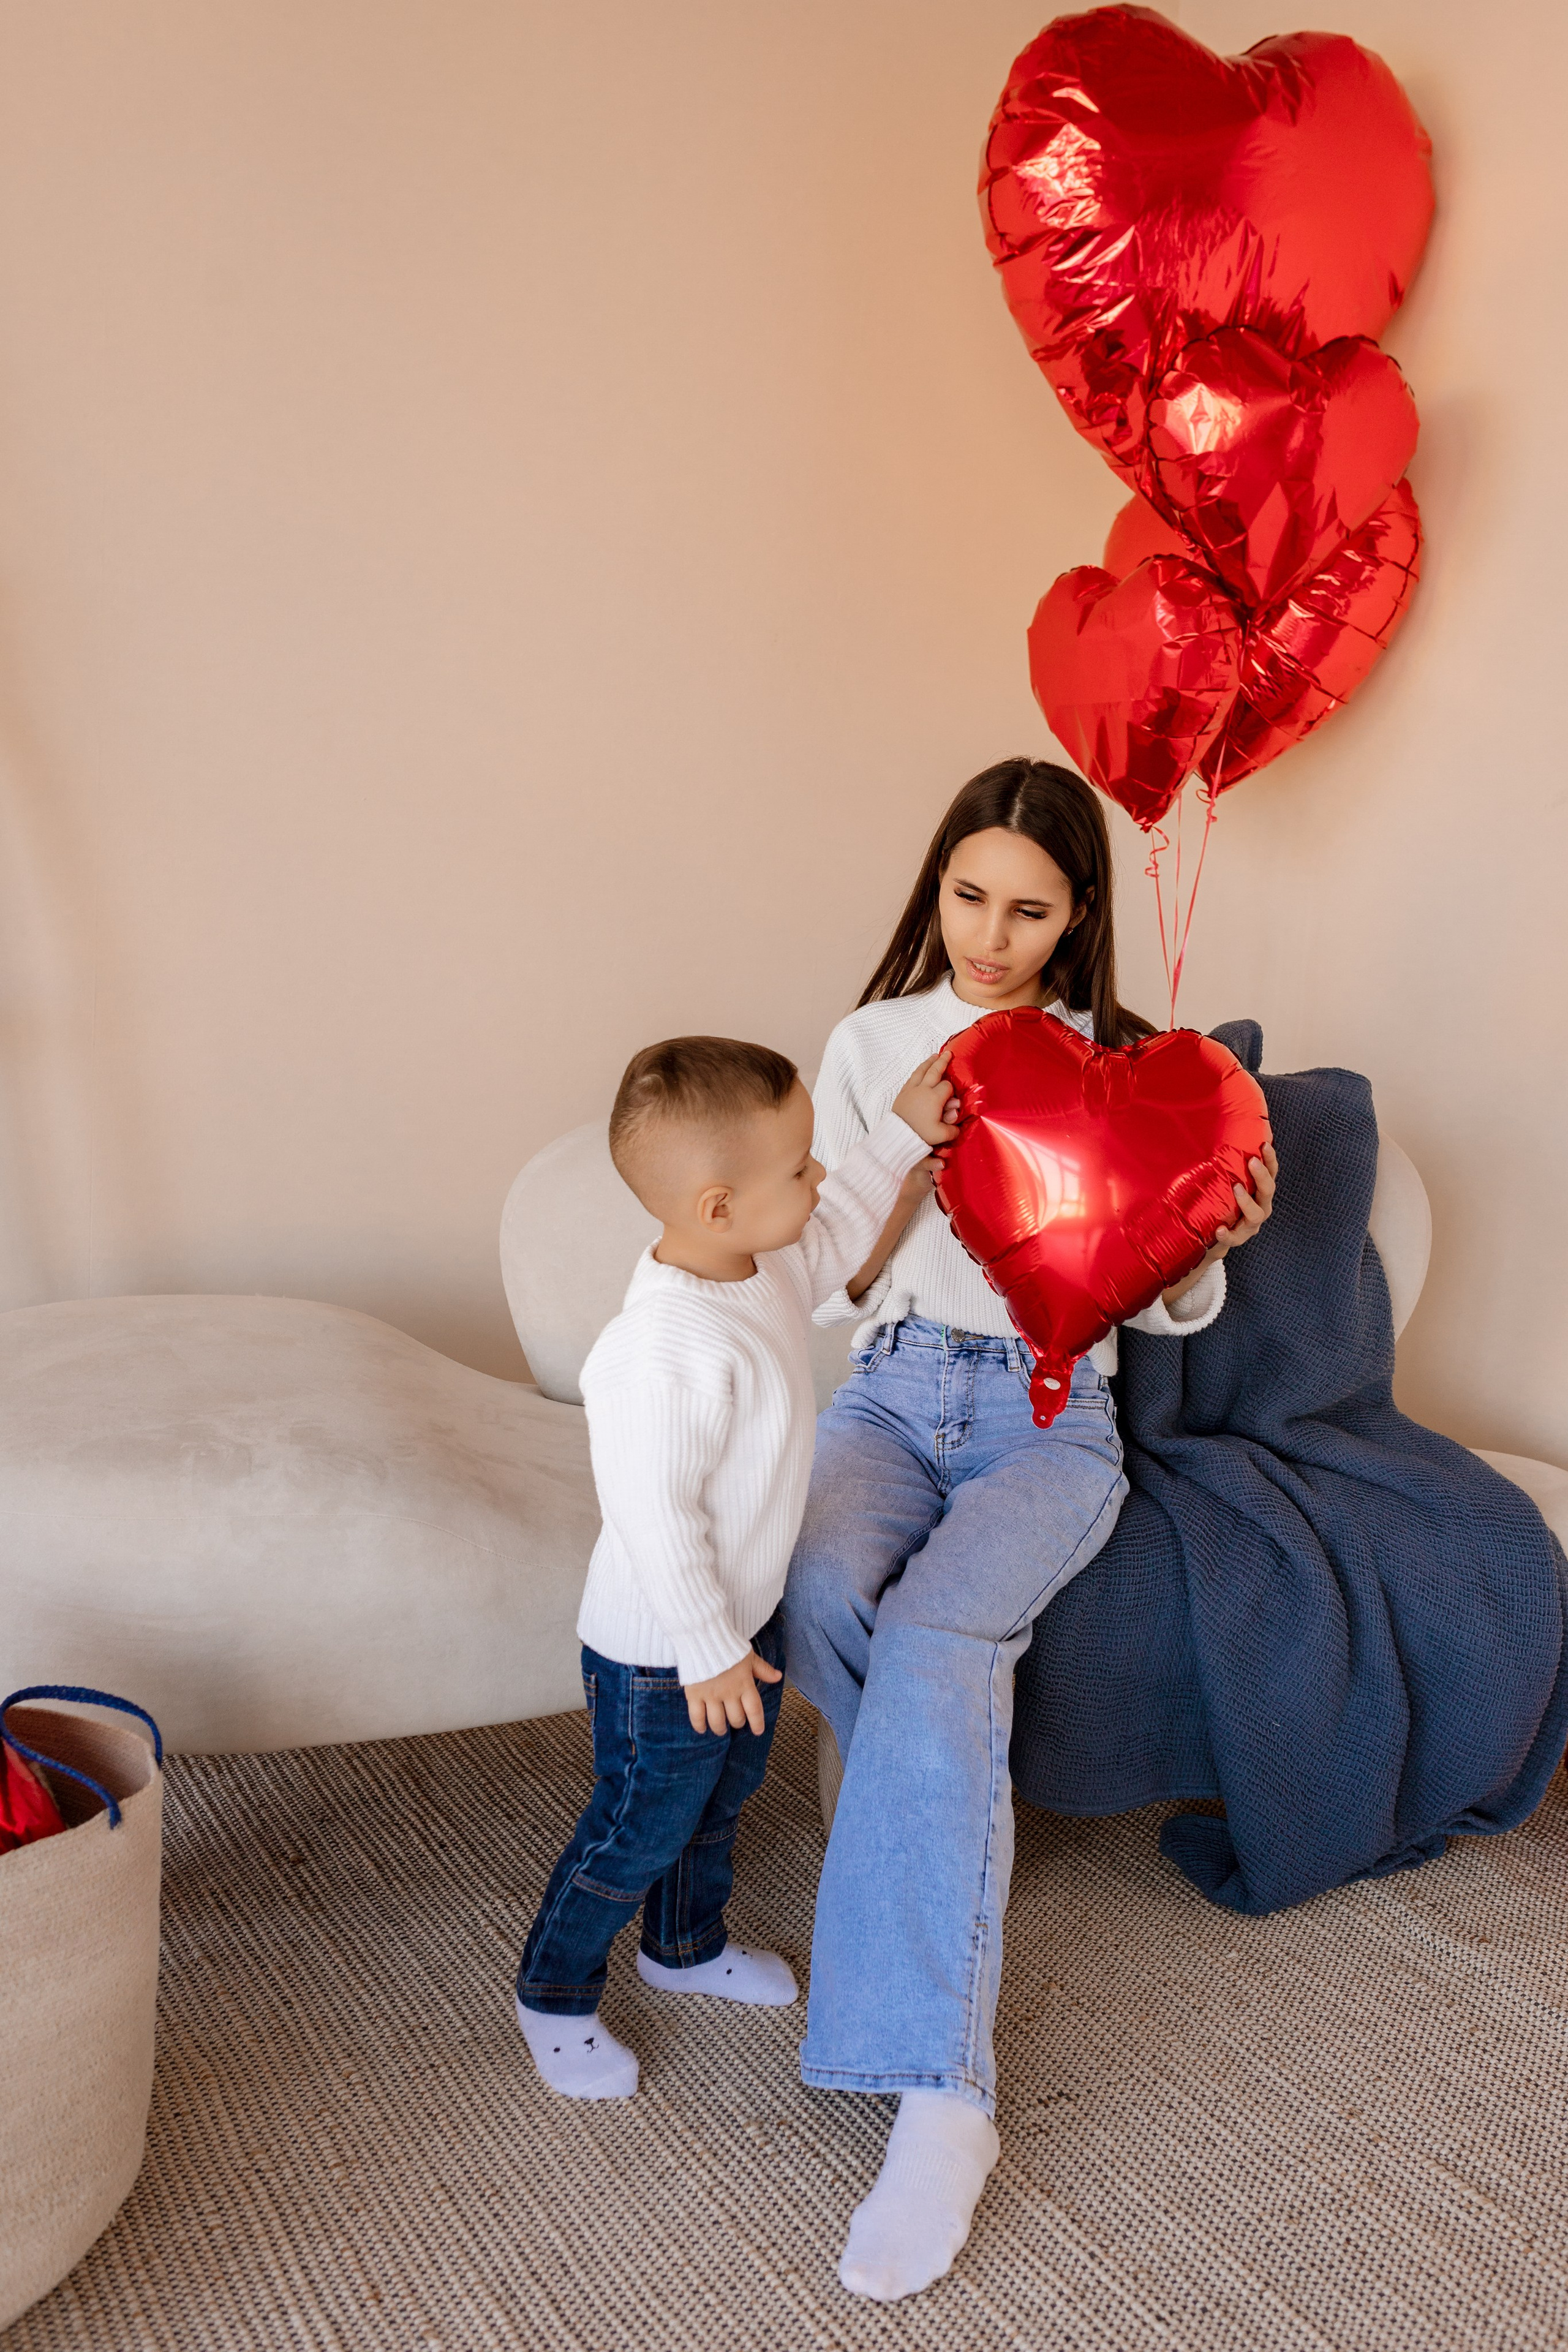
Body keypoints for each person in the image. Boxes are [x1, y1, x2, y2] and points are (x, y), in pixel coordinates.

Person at [783, 758, 1278, 2298]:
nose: (988, 937)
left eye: (1027, 911)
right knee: (808, 1580)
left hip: (1049, 1415)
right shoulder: (872, 1044)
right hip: (885, 1395)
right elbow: (817, 1284)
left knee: (939, 1638)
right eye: (965, 897)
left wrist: (1217, 1241)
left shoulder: (1130, 1061)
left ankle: (945, 2100)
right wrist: (902, 1143)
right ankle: (946, 1843)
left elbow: (1158, 1291)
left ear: (1076, 922)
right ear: (934, 888)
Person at [514, 1031, 956, 2098]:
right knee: (636, 1826)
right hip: (665, 1652)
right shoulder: (660, 1351)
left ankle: (684, 1946)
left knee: (723, 1800)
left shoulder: (757, 1260)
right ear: (718, 1204)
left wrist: (902, 1133)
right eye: (797, 1167)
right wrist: (709, 1652)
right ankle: (553, 1993)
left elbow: (839, 1222)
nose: (815, 1180)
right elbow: (656, 1519)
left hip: (738, 1624)